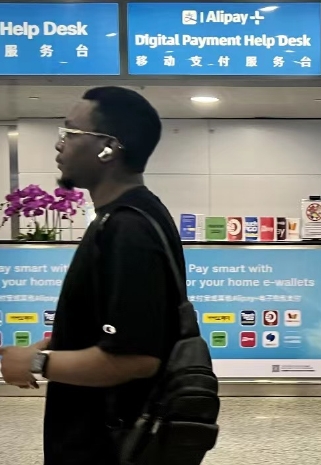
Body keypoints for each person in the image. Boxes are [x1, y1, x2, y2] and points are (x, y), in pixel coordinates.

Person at [0, 87, 191, 465]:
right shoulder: (128, 216)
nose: (59, 145)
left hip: (107, 444)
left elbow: (135, 357)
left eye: (70, 133)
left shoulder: (128, 229)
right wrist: (52, 344)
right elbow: (118, 322)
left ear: (108, 148)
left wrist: (37, 364)